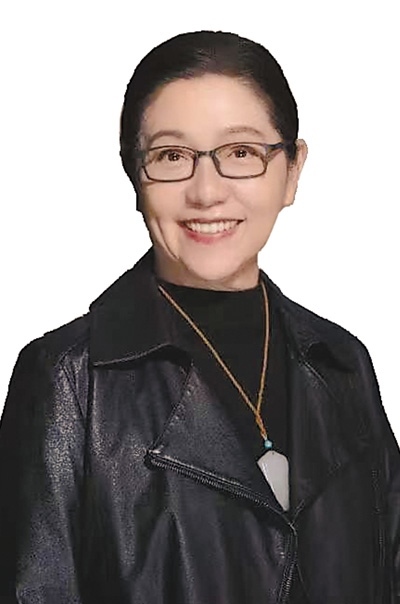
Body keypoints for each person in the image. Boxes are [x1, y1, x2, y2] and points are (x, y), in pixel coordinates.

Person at [0, 30, 399, 604]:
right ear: (135, 177)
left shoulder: (342, 362)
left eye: (241, 153)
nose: (207, 192)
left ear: (292, 171)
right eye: (172, 157)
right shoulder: (68, 379)